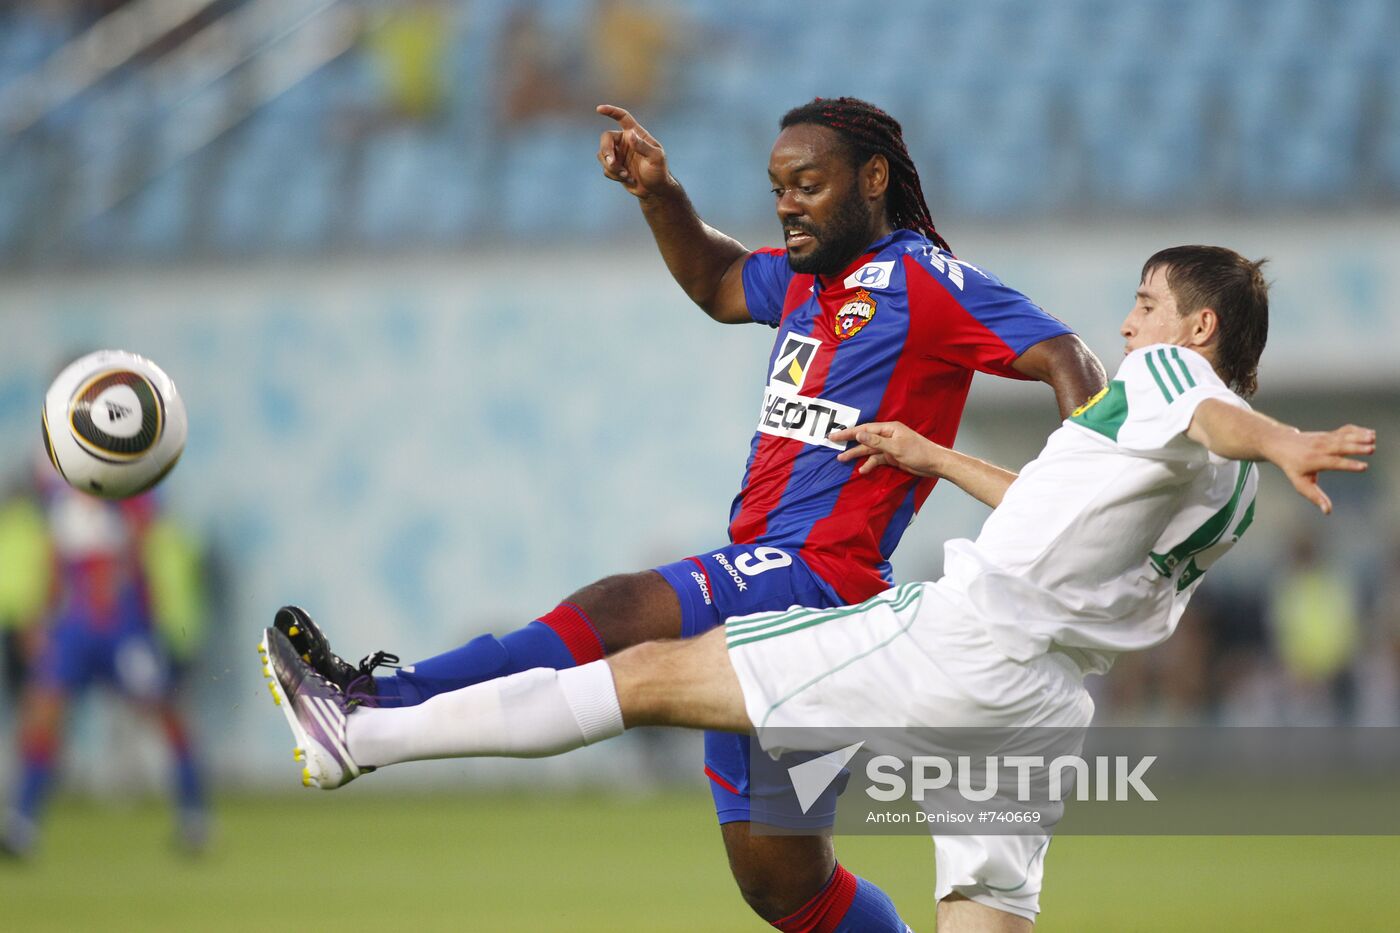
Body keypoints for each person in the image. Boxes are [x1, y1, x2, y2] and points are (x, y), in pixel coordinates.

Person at [263, 245, 1376, 930]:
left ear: (1197, 327)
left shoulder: (1174, 381)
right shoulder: (1219, 494)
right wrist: (935, 459)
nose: (1127, 323)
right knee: (984, 924)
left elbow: (1211, 411)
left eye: (1144, 302)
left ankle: (363, 736)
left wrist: (1283, 436)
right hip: (1039, 709)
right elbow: (1057, 511)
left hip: (957, 642)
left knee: (645, 671)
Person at [273, 97, 1105, 928]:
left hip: (818, 577)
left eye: (808, 184)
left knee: (623, 609)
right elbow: (716, 280)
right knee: (785, 884)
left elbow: (1067, 356)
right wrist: (659, 195)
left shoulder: (922, 279)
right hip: (791, 593)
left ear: (874, 177)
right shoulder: (808, 278)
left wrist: (1081, 499)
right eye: (779, 187)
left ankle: (372, 700)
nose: (787, 204)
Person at [1, 457, 211, 858]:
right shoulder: (56, 501)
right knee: (43, 714)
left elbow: (142, 543)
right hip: (75, 630)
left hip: (123, 628)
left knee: (165, 711)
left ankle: (194, 817)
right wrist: (36, 620)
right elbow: (51, 564)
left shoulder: (128, 493)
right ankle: (22, 824)